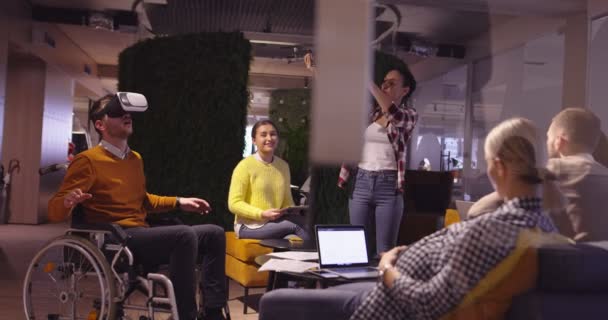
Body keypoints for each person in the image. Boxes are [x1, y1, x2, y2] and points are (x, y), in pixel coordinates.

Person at [258, 117, 558, 320]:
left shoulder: (492, 231)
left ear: (499, 168)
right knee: (337, 286)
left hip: (389, 305)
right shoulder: (539, 224)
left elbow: (428, 301)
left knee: (275, 301)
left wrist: (388, 267)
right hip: (393, 287)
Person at [48, 94, 227, 320]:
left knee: (214, 234)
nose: (126, 115)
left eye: (127, 112)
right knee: (184, 235)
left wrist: (180, 202)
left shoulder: (135, 159)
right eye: (115, 112)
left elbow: (143, 200)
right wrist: (67, 201)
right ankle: (186, 315)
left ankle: (212, 311)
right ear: (100, 125)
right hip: (116, 238)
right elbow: (54, 209)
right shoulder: (87, 161)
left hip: (141, 233)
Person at [469, 108, 608, 241]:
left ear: (559, 142)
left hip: (557, 261)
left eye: (548, 138)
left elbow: (481, 210)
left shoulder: (552, 168)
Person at [338, 66, 418, 256]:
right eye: (384, 82)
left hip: (388, 186)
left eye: (392, 83)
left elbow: (394, 114)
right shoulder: (371, 114)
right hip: (361, 181)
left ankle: (381, 285)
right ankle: (354, 286)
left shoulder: (409, 115)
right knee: (356, 248)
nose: (385, 86)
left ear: (405, 90)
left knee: (385, 251)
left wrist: (369, 82)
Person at [228, 119, 310, 240]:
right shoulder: (244, 166)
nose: (269, 138)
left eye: (273, 134)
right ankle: (320, 258)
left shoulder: (283, 166)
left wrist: (294, 211)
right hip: (249, 226)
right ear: (254, 140)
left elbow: (287, 201)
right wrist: (261, 214)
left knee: (305, 224)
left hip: (275, 223)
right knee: (295, 226)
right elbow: (234, 204)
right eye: (263, 135)